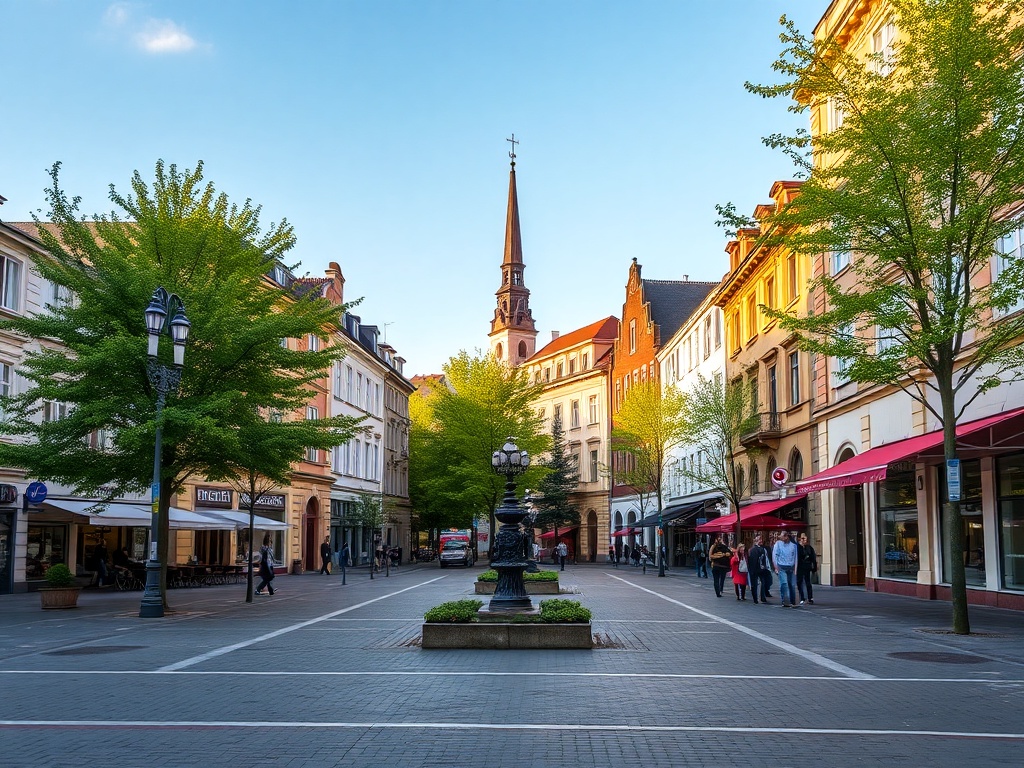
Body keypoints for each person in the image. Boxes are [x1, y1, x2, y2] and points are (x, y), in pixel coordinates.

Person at [772, 530, 798, 607]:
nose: (781, 538)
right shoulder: (778, 544)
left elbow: (795, 558)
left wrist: (795, 569)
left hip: (791, 567)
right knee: (784, 583)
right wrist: (776, 567)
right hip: (781, 566)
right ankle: (785, 601)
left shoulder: (793, 546)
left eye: (782, 536)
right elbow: (774, 555)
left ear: (786, 537)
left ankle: (792, 601)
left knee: (792, 585)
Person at [747, 534, 771, 604]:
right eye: (759, 539)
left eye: (761, 539)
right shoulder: (755, 550)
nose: (760, 541)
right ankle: (758, 598)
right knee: (758, 583)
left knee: (759, 583)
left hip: (759, 569)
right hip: (758, 569)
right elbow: (753, 561)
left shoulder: (759, 549)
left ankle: (759, 598)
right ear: (755, 540)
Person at [797, 533, 818, 605]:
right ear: (799, 539)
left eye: (805, 538)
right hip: (799, 567)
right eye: (803, 538)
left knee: (808, 582)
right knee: (799, 582)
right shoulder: (797, 547)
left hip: (807, 567)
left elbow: (813, 558)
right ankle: (802, 598)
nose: (804, 540)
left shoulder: (809, 548)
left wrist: (814, 568)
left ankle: (810, 598)